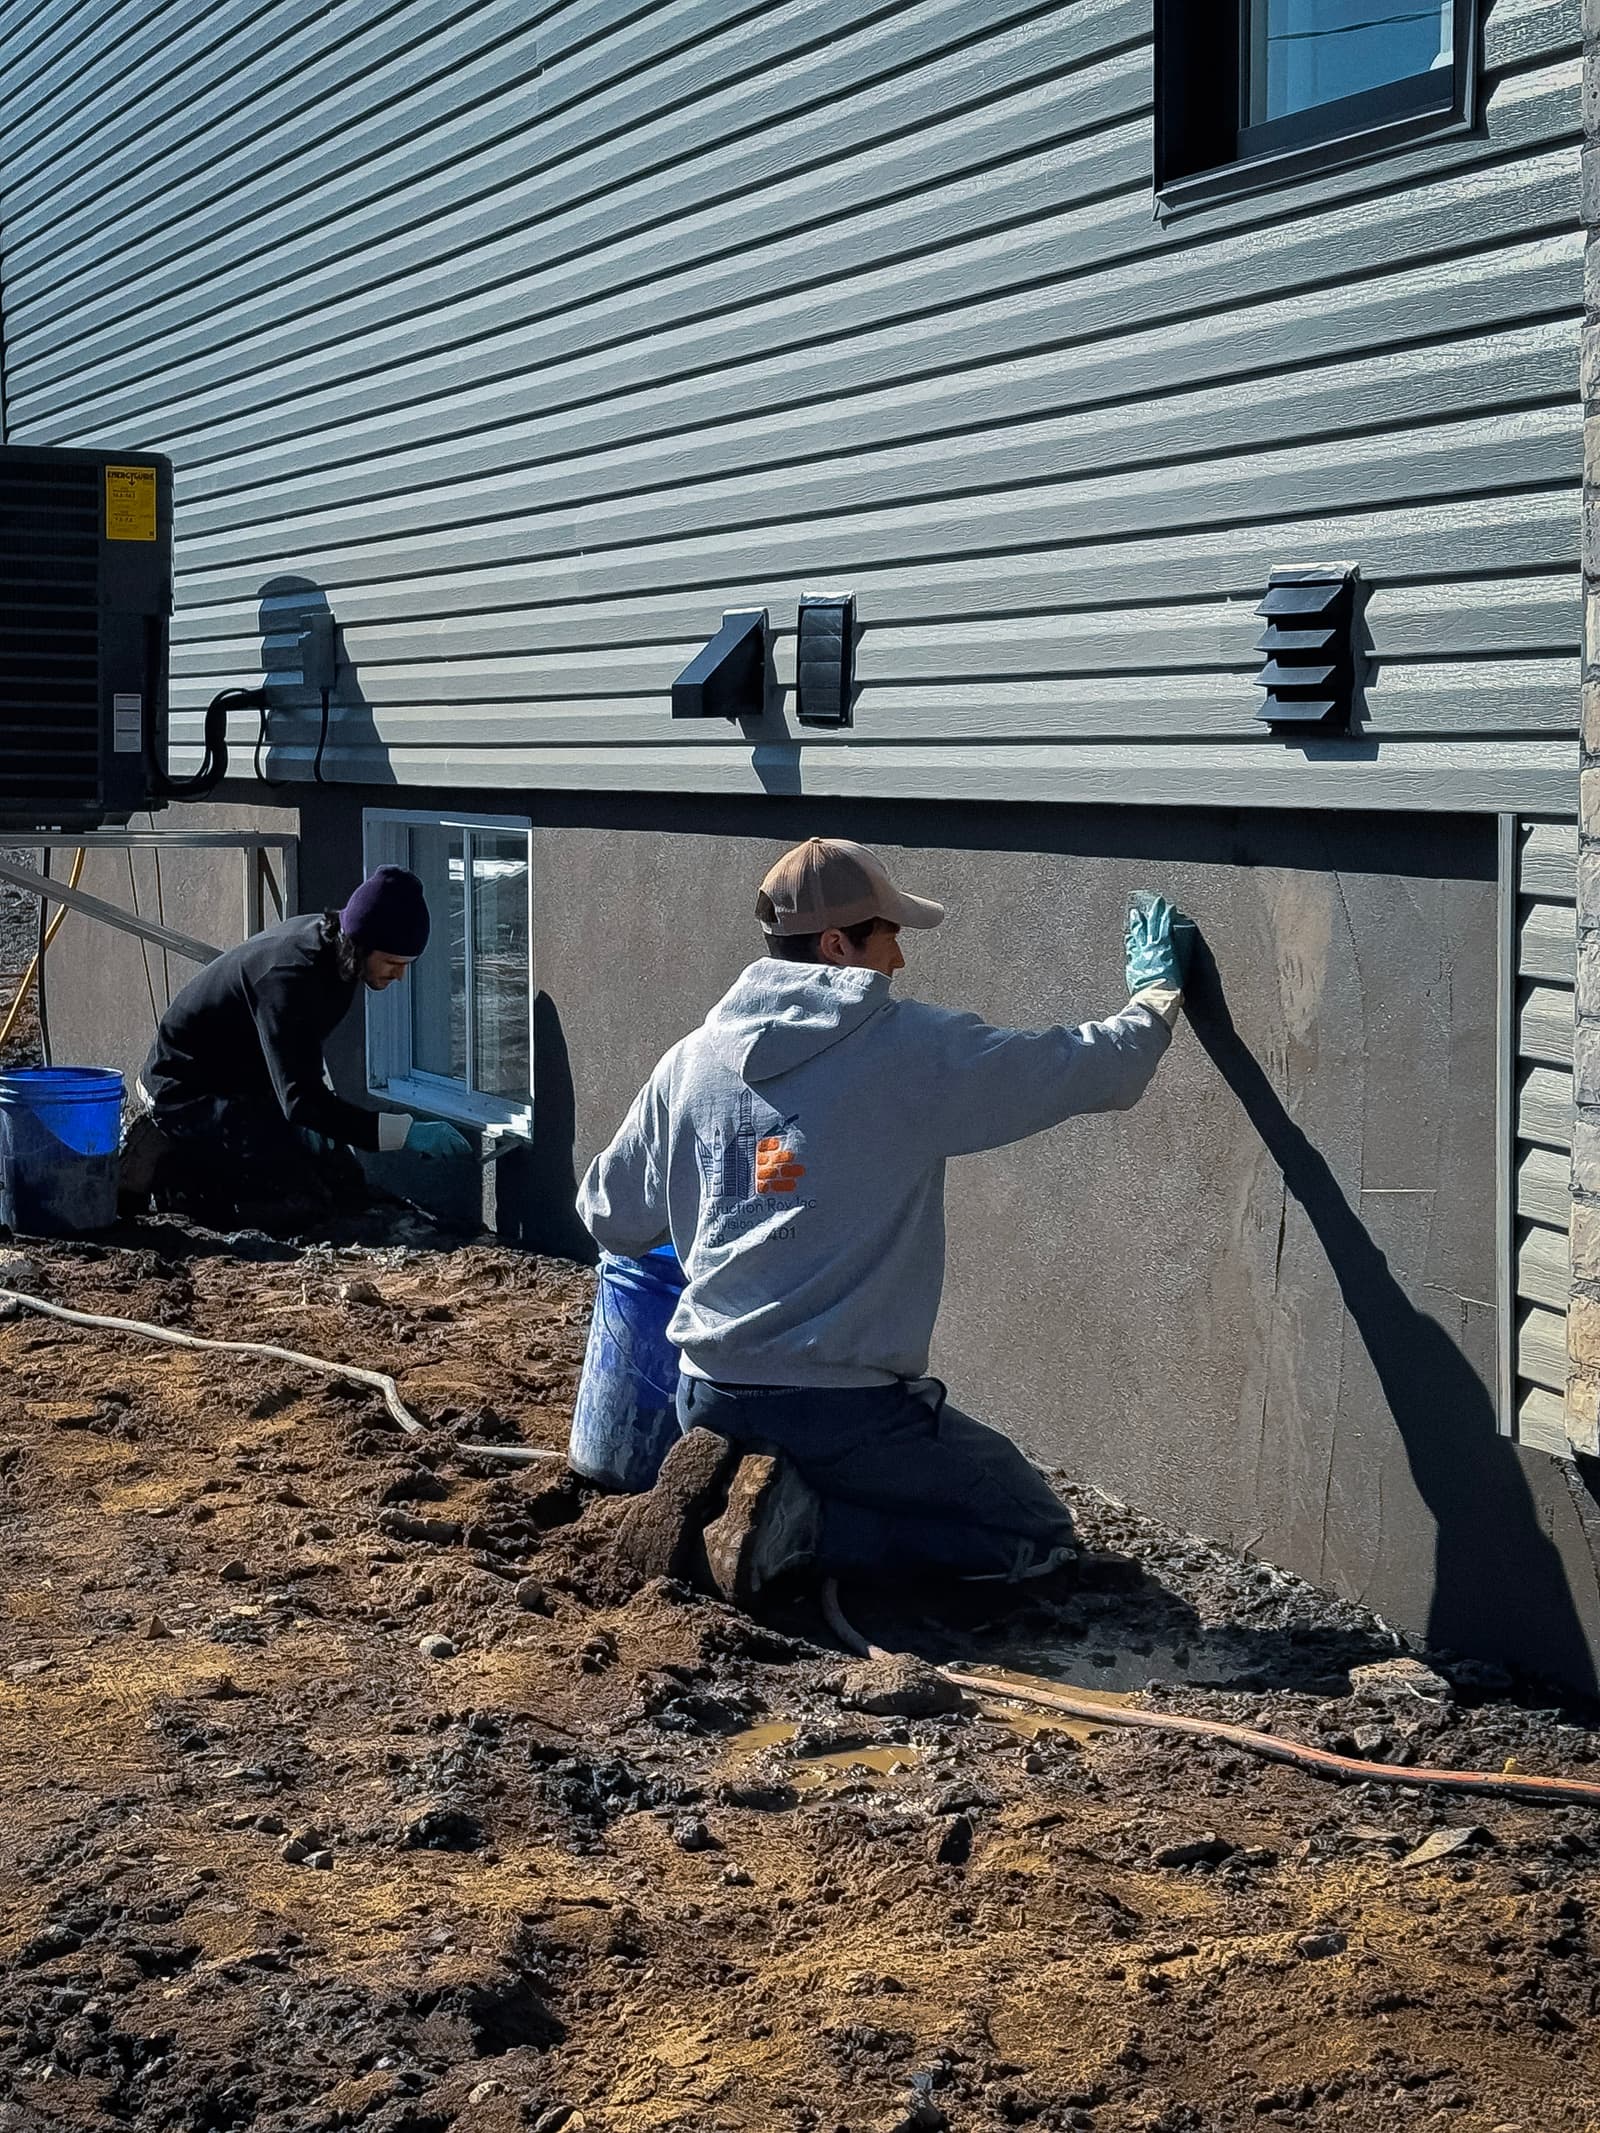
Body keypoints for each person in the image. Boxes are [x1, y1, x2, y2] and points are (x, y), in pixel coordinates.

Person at [577, 836, 1192, 1604]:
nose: (898, 957)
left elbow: (610, 1216)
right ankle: (801, 1532)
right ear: (837, 945)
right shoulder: (906, 1050)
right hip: (842, 1410)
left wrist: (726, 1190)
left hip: (704, 1391)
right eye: (888, 935)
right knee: (1033, 1532)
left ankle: (748, 1493)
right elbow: (1072, 1066)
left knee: (869, 1475)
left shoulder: (689, 1062)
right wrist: (1153, 1001)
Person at [121, 864, 471, 1227]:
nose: (399, 975)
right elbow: (301, 1101)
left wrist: (320, 1120)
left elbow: (303, 1062)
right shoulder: (288, 976)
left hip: (243, 1078)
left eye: (407, 964)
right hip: (184, 1087)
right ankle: (163, 1165)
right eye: (393, 962)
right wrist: (405, 1132)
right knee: (293, 1201)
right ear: (364, 944)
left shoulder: (336, 955)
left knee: (345, 1185)